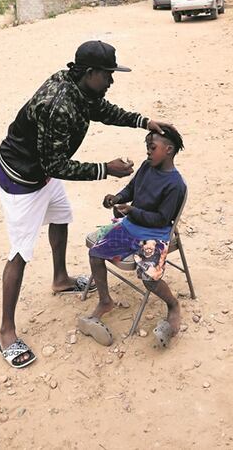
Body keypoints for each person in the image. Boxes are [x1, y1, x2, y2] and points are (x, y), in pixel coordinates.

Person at [0, 41, 173, 368]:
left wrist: (142, 122)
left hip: (44, 172)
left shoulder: (80, 89)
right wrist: (106, 169)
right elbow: (55, 166)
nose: (111, 81)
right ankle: (6, 331)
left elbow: (102, 111)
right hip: (21, 179)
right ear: (90, 73)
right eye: (108, 75)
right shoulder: (58, 104)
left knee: (61, 215)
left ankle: (60, 278)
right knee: (20, 252)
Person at [79, 127, 187, 349]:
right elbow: (131, 189)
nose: (148, 152)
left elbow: (161, 219)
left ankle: (173, 305)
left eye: (152, 148)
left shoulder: (176, 185)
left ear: (168, 150)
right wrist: (117, 198)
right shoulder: (147, 167)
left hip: (154, 236)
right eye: (147, 147)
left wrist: (131, 211)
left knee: (149, 279)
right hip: (130, 228)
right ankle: (105, 301)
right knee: (95, 254)